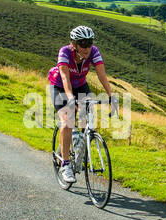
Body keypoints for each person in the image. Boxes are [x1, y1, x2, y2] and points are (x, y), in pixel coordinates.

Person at [49, 24, 116, 184]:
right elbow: (65, 77)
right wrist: (71, 98)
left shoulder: (93, 51)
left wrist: (111, 95)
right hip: (60, 86)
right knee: (68, 120)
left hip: (80, 85)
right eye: (83, 44)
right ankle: (65, 164)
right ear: (74, 44)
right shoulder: (65, 52)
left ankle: (78, 147)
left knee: (87, 122)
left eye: (89, 43)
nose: (87, 48)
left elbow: (101, 74)